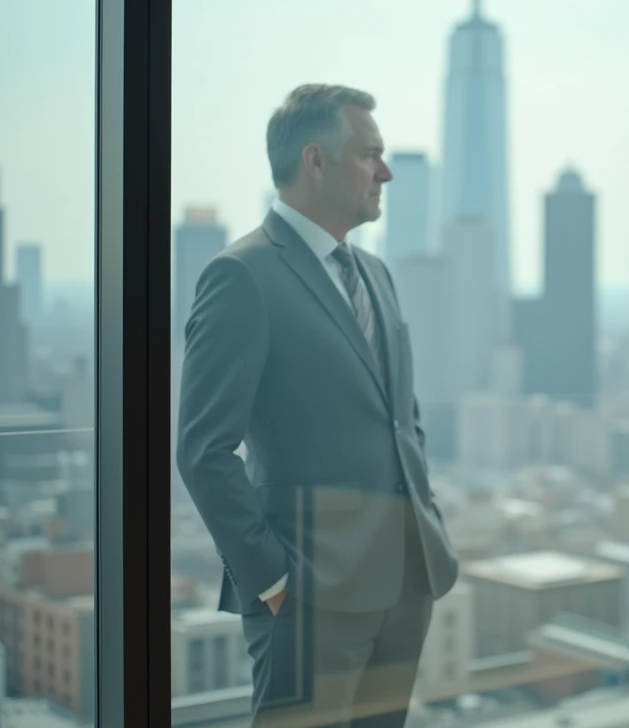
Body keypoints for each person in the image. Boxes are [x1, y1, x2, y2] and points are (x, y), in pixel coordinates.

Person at [177, 84, 459, 727]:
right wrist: (272, 581)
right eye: (370, 155)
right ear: (315, 161)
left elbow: (400, 420)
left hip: (405, 585)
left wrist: (427, 525)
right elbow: (202, 450)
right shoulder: (242, 275)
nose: (385, 172)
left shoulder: (377, 275)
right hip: (309, 599)